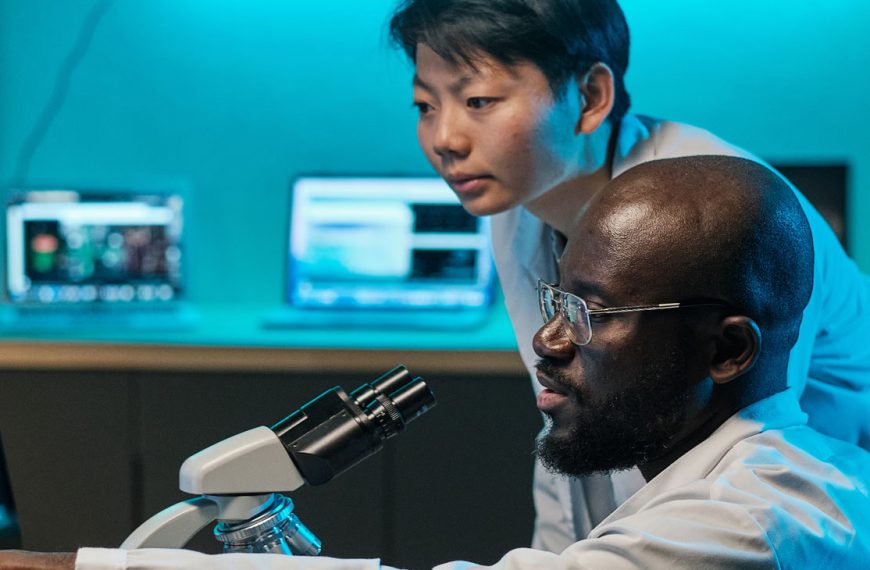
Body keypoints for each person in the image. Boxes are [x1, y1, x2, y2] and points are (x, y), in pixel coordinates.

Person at [4, 156, 869, 569]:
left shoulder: (745, 524)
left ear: (727, 350)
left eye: (592, 315)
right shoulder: (733, 477)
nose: (549, 341)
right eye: (555, 302)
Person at [387, 0, 870, 553]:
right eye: (425, 105)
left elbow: (721, 448)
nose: (445, 138)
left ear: (591, 97)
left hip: (801, 508)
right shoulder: (519, 199)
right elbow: (567, 417)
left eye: (479, 101)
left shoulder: (714, 212)